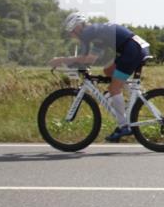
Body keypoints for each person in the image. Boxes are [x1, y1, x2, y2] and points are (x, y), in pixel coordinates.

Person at [49, 12, 151, 142]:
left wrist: (62, 60)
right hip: (136, 48)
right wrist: (76, 63)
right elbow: (91, 59)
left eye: (71, 31)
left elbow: (87, 58)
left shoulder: (87, 33)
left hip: (132, 51)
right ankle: (127, 97)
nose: (71, 35)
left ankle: (124, 125)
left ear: (77, 27)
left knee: (114, 89)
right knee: (108, 71)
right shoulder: (96, 32)